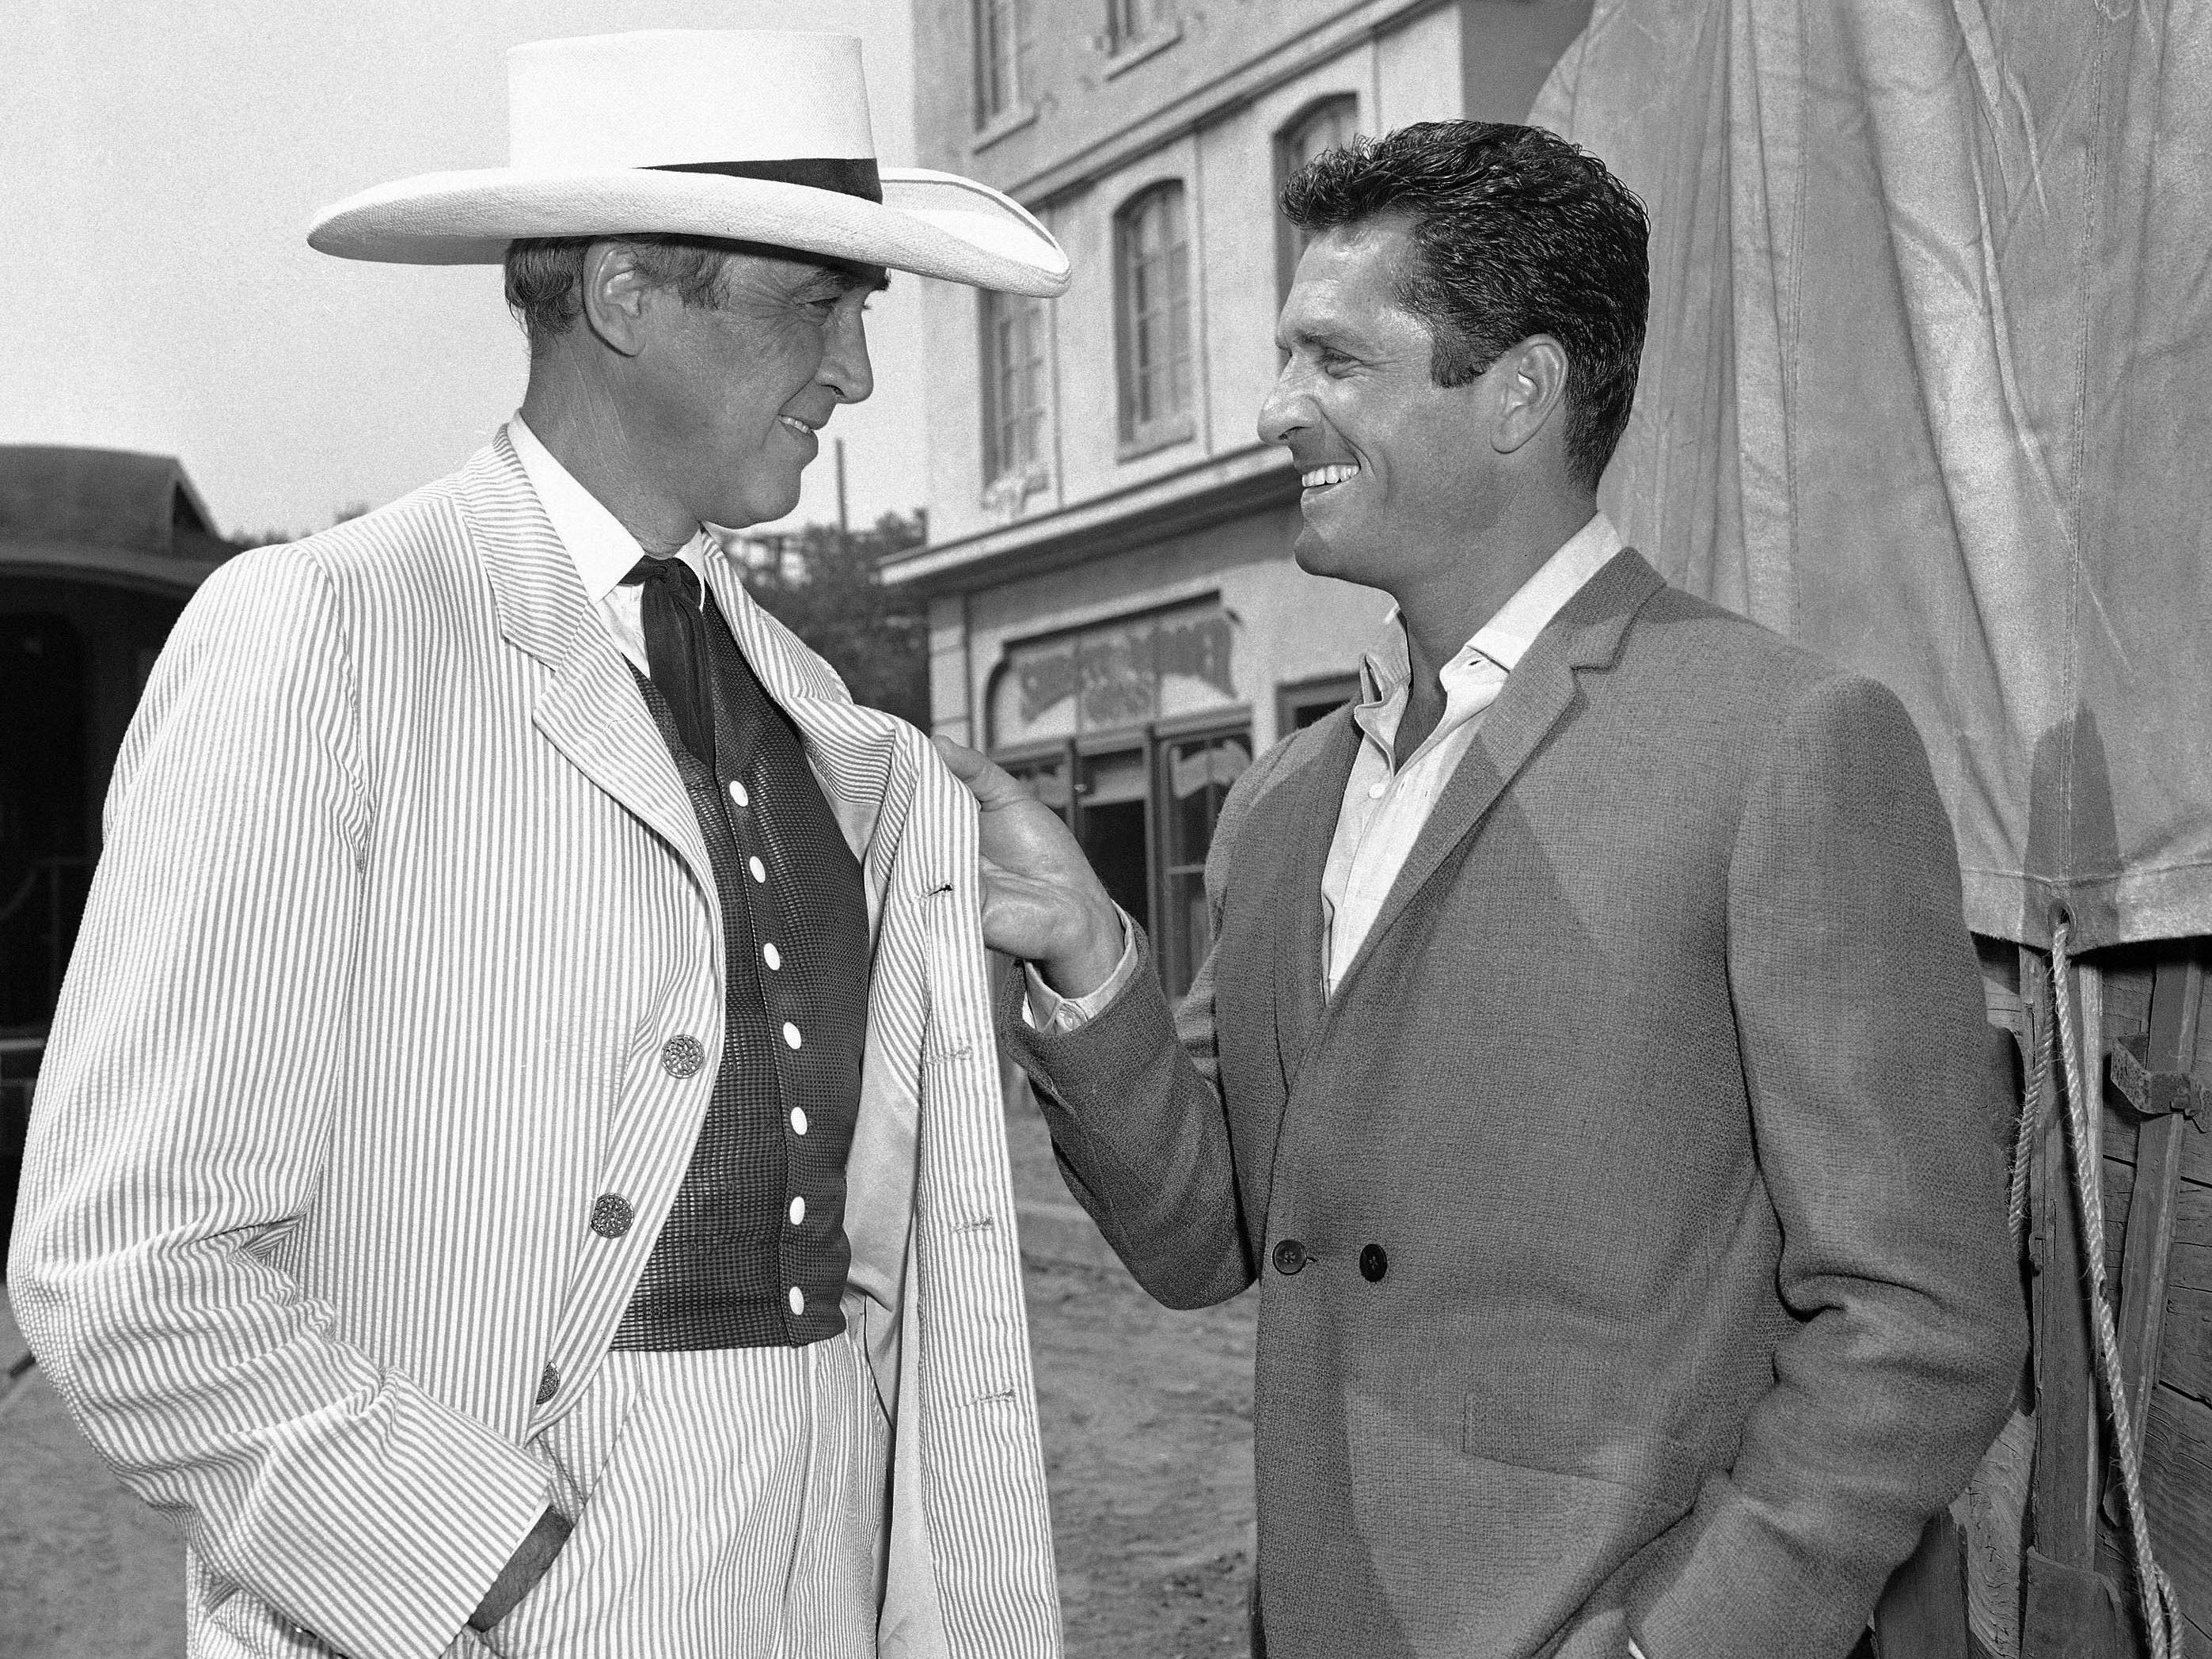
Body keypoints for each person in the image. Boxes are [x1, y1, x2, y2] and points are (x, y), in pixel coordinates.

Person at [9, 31, 1069, 1659]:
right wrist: (469, 1551)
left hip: (824, 1564)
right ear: (628, 296)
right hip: (493, 1579)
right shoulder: (324, 634)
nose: (856, 373)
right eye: (820, 305)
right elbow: (125, 1260)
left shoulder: (831, 724)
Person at [943, 121, 2024, 1659]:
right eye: (1281, 357)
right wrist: (1081, 949)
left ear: (1517, 392)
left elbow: (1920, 1320)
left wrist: (1682, 1640)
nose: (1273, 409)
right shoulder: (1278, 805)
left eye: (1334, 359)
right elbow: (1202, 1243)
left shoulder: (1781, 745)